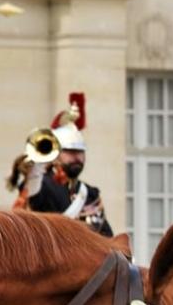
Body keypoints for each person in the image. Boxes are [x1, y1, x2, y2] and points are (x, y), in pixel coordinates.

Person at [25, 92, 113, 236]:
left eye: (80, 152)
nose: (77, 157)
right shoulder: (42, 185)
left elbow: (106, 236)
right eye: (70, 152)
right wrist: (38, 163)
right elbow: (33, 199)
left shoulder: (89, 193)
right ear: (55, 153)